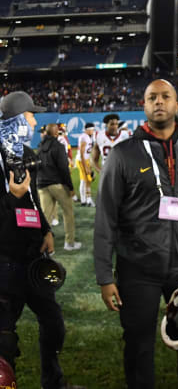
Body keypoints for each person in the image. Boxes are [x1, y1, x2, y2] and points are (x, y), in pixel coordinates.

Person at [94, 79, 178, 389]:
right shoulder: (123, 154)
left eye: (165, 96)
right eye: (152, 97)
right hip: (137, 266)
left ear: (175, 103)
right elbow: (105, 217)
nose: (159, 101)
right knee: (138, 344)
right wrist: (104, 275)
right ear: (144, 106)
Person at [0, 91, 84, 389]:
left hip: (33, 256)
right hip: (5, 260)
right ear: (17, 120)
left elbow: (33, 199)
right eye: (30, 115)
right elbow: (17, 198)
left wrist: (46, 229)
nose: (35, 122)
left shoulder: (24, 153)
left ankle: (53, 382)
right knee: (4, 338)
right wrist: (12, 197)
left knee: (54, 324)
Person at [37, 123, 79, 250]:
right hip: (57, 185)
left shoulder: (39, 146)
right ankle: (69, 243)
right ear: (56, 133)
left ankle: (42, 247)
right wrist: (70, 187)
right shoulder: (58, 146)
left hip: (42, 185)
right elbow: (63, 168)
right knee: (68, 213)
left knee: (45, 217)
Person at [75, 122, 95, 207]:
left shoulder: (88, 137)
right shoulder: (84, 137)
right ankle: (87, 200)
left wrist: (88, 162)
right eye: (92, 129)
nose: (93, 131)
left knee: (87, 180)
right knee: (85, 180)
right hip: (81, 160)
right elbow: (82, 153)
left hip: (85, 159)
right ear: (88, 129)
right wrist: (86, 166)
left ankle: (86, 199)